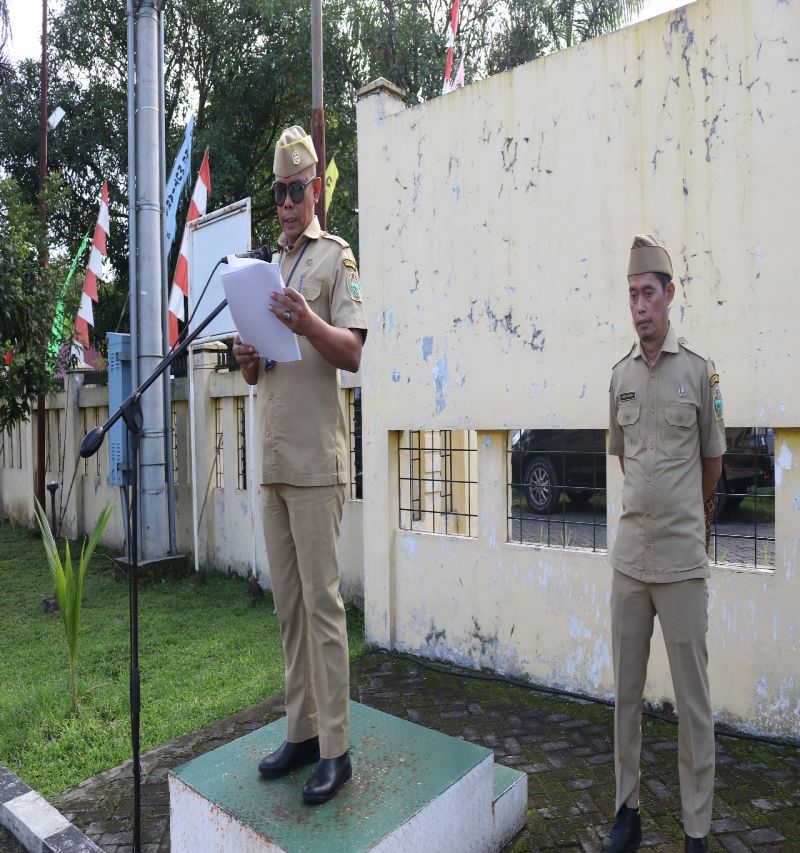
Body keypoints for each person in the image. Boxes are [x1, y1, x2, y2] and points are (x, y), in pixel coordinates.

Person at [233, 125, 367, 805]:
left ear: (315, 188)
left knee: (322, 607)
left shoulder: (333, 260)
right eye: (278, 190)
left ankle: (337, 748)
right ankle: (301, 731)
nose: (286, 201)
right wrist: (248, 359)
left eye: (295, 189)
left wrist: (308, 321)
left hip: (318, 461)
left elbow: (353, 351)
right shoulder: (268, 265)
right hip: (276, 459)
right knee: (288, 607)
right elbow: (266, 369)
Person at [604, 235, 725, 853]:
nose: (640, 306)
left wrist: (690, 519)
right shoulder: (620, 376)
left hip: (681, 564)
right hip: (630, 562)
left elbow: (711, 461)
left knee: (692, 704)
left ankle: (696, 828)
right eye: (632, 295)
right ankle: (626, 812)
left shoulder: (699, 374)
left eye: (648, 293)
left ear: (670, 295)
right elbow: (625, 461)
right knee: (626, 695)